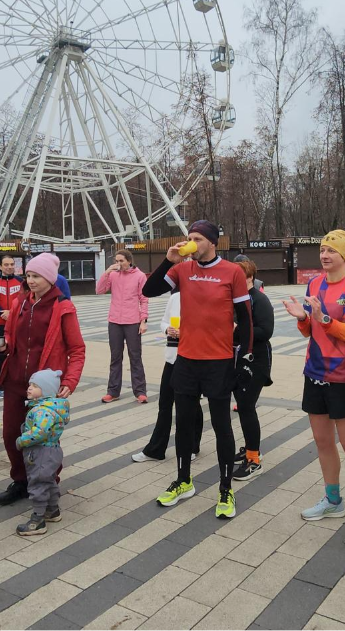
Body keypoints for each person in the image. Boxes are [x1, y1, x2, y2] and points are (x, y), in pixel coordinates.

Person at [141, 220, 253, 520]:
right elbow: (149, 290)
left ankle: (225, 488)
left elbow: (245, 318)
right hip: (186, 360)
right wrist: (168, 260)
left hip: (218, 361)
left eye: (198, 238)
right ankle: (184, 481)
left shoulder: (232, 272)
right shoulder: (182, 270)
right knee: (184, 423)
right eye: (189, 237)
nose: (191, 242)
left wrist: (245, 358)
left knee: (221, 426)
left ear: (212, 243)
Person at [281, 229, 345, 548]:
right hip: (314, 372)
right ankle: (333, 500)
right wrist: (302, 319)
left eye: (332, 250)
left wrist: (323, 320)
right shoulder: (314, 283)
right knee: (322, 441)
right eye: (322, 249)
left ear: (344, 255)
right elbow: (310, 330)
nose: (325, 254)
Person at [0, 253, 85, 506]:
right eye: (28, 275)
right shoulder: (20, 303)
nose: (31, 281)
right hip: (15, 380)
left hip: (44, 388)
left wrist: (70, 381)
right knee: (11, 434)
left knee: (44, 438)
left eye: (36, 276)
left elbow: (77, 349)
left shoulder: (63, 307)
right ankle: (21, 481)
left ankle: (47, 483)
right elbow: (10, 333)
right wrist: (4, 344)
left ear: (50, 279)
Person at [132, 290, 203, 463]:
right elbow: (164, 321)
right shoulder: (175, 298)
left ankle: (192, 446)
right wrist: (167, 329)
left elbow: (206, 329)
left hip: (192, 359)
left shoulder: (201, 297)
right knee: (164, 403)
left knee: (190, 405)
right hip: (172, 357)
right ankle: (156, 450)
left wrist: (184, 333)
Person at [14, 369, 71, 536]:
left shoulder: (42, 411)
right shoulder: (50, 407)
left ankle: (37, 520)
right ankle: (52, 510)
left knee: (38, 483)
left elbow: (39, 432)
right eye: (30, 384)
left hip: (41, 452)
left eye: (35, 386)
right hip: (52, 451)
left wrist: (21, 441)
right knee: (48, 480)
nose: (29, 388)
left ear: (46, 390)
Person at [232, 258, 274, 481]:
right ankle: (250, 447)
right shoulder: (234, 298)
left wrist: (237, 329)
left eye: (239, 276)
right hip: (236, 358)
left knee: (247, 406)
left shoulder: (259, 299)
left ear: (249, 277)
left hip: (256, 359)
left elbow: (265, 331)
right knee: (242, 406)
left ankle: (253, 459)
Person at [97, 249, 149, 403]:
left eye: (121, 261)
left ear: (129, 261)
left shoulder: (140, 276)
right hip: (114, 321)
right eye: (116, 261)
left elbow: (144, 299)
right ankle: (113, 391)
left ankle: (140, 391)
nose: (118, 264)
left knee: (135, 357)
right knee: (115, 357)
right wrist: (107, 272)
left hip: (132, 321)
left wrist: (143, 321)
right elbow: (99, 290)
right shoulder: (113, 275)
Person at [0, 255, 23, 400]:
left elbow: (24, 300)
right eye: (6, 264)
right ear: (0, 266)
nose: (10, 267)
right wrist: (1, 313)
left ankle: (16, 384)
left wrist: (12, 313)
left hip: (17, 323)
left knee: (18, 353)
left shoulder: (21, 282)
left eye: (12, 264)